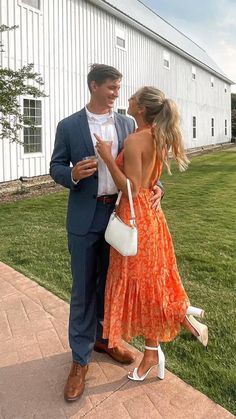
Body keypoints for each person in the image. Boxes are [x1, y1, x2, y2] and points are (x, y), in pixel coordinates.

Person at [50, 65, 163, 401]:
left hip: (120, 218)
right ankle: (79, 360)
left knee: (110, 285)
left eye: (119, 88)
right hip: (85, 218)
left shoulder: (129, 124)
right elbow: (55, 165)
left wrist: (159, 188)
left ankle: (103, 339)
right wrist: (71, 174)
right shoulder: (69, 125)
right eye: (112, 87)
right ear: (93, 86)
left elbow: (143, 167)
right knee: (84, 289)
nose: (117, 93)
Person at [95, 86, 208, 382]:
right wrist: (158, 187)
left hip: (136, 219)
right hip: (153, 216)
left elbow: (129, 188)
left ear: (141, 108)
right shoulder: (159, 138)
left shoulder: (134, 140)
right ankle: (156, 345)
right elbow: (151, 181)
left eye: (133, 97)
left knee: (141, 286)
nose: (128, 100)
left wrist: (107, 157)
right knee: (149, 285)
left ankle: (180, 314)